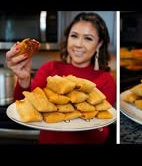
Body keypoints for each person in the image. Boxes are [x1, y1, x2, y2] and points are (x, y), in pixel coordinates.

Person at [5, 12, 116, 144]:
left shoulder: (105, 80)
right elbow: (24, 108)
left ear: (99, 44)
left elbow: (100, 136)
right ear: (67, 38)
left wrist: (83, 114)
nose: (79, 44)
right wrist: (23, 79)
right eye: (74, 36)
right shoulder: (50, 69)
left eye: (88, 38)